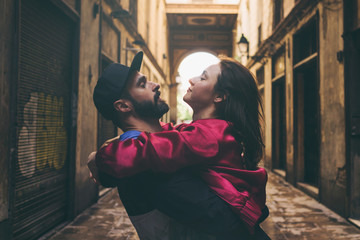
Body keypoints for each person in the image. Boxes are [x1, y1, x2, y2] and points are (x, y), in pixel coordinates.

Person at [91, 51, 270, 239]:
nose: (192, 80)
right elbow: (171, 139)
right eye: (142, 84)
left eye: (202, 77)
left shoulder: (207, 135)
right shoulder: (198, 135)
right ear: (123, 106)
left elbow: (167, 144)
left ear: (219, 97)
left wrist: (100, 158)